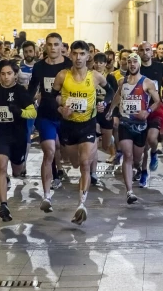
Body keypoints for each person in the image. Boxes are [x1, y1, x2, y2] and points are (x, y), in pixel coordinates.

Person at [53, 40, 109, 224]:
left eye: (82, 54)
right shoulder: (62, 75)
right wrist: (62, 108)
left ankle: (81, 203)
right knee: (75, 163)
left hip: (88, 124)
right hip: (69, 125)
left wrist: (103, 103)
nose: (78, 57)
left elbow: (110, 91)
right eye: (75, 53)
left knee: (84, 163)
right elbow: (52, 96)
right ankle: (89, 155)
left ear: (88, 56)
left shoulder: (95, 76)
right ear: (70, 55)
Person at [0, 59, 36, 222]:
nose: (6, 77)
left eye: (9, 74)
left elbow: (32, 113)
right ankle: (3, 205)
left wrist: (19, 111)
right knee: (1, 165)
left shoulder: (21, 91)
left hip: (18, 135)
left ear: (15, 74)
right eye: (2, 74)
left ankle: (11, 174)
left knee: (17, 171)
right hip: (0, 134)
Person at [108, 53, 160, 204]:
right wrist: (111, 110)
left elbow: (157, 101)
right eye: (129, 62)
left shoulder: (147, 82)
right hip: (125, 123)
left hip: (140, 126)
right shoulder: (121, 81)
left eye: (134, 62)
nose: (132, 65)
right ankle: (129, 192)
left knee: (136, 159)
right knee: (127, 155)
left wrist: (147, 111)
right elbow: (118, 96)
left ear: (139, 64)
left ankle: (139, 168)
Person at [28, 32, 71, 203]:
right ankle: (52, 181)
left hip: (67, 114)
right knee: (50, 150)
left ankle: (84, 172)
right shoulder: (39, 67)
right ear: (45, 46)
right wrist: (24, 104)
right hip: (45, 113)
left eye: (56, 44)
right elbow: (32, 89)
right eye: (50, 44)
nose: (53, 48)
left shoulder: (69, 65)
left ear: (61, 46)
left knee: (66, 150)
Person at [137, 41, 163, 183]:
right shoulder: (136, 69)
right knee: (142, 145)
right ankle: (144, 171)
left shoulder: (160, 66)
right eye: (142, 50)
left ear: (152, 52)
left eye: (147, 50)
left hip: (155, 109)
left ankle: (154, 152)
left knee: (151, 139)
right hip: (139, 110)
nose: (145, 52)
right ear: (138, 53)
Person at [93, 52, 118, 160]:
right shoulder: (89, 76)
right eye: (96, 62)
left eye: (101, 63)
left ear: (105, 64)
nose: (98, 65)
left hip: (107, 111)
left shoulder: (110, 78)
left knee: (106, 144)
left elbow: (116, 95)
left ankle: (113, 151)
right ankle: (92, 158)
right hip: (93, 110)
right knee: (94, 133)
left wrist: (114, 113)